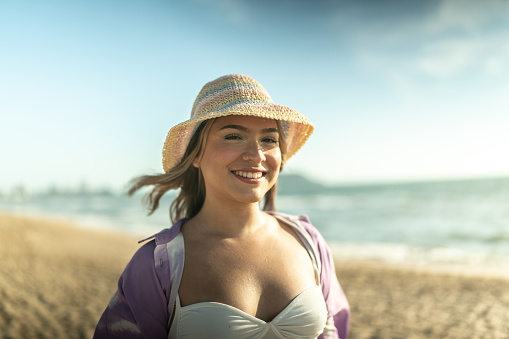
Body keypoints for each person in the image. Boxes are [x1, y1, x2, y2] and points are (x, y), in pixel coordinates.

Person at [93, 74, 350, 339]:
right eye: (234, 136)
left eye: (269, 140)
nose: (256, 154)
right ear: (194, 154)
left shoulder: (309, 241)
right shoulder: (159, 265)